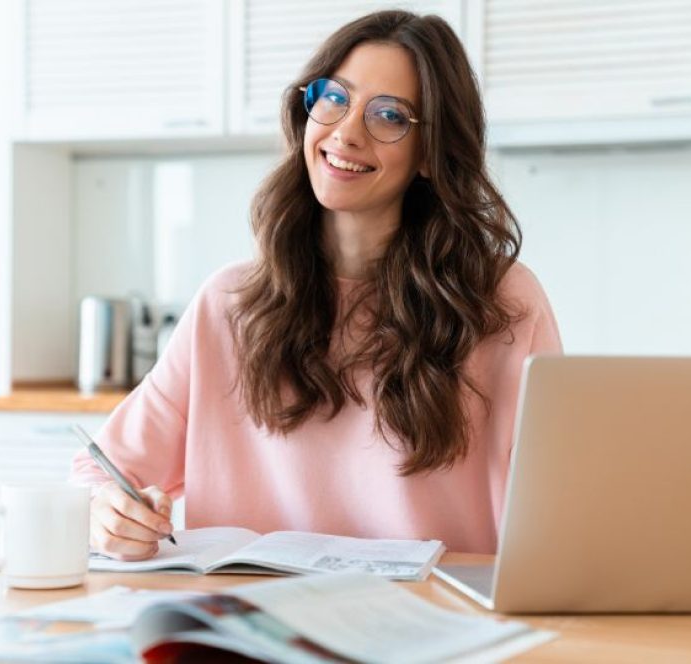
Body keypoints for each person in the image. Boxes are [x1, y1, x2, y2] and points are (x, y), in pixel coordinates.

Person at [71, 10, 561, 561]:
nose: (347, 132)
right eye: (335, 98)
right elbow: (102, 472)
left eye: (390, 115)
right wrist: (106, 511)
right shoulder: (229, 305)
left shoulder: (503, 304)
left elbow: (561, 509)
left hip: (429, 631)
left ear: (430, 153)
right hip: (257, 629)